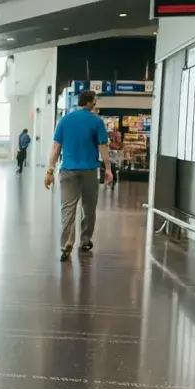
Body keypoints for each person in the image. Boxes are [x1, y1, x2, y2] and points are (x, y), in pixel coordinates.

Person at [44, 90, 113, 262]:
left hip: (67, 170)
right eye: (95, 102)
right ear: (90, 102)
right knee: (89, 208)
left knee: (68, 207)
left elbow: (55, 148)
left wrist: (49, 171)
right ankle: (85, 240)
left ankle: (66, 243)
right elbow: (103, 147)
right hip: (89, 170)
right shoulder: (96, 121)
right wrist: (109, 169)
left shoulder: (65, 120)